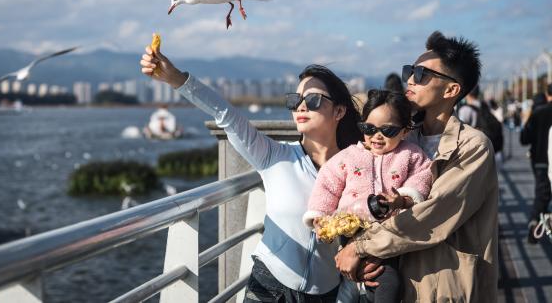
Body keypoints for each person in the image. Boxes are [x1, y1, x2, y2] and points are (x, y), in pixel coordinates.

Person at [140, 45, 372, 302]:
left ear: (339, 111)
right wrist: (175, 78)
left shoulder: (356, 166)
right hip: (269, 288)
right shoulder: (274, 155)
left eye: (313, 100)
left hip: (326, 293)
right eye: (294, 101)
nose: (301, 107)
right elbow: (226, 115)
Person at [335, 31, 498, 302]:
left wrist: (361, 248)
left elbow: (431, 215)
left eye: (422, 74)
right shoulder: (401, 137)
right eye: (409, 71)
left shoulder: (472, 147)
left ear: (451, 90)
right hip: (396, 282)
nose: (410, 79)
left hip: (443, 286)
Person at [304, 89, 432, 303]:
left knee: (388, 284)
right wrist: (319, 216)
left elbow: (423, 176)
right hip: (351, 229)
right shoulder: (347, 157)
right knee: (348, 290)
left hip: (388, 237)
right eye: (369, 128)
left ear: (405, 131)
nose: (377, 137)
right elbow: (326, 185)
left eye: (388, 131)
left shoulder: (411, 154)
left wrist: (403, 198)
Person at [520, 84, 552, 244]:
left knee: (542, 194)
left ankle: (535, 228)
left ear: (547, 95)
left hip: (540, 161)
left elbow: (524, 139)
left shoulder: (538, 114)